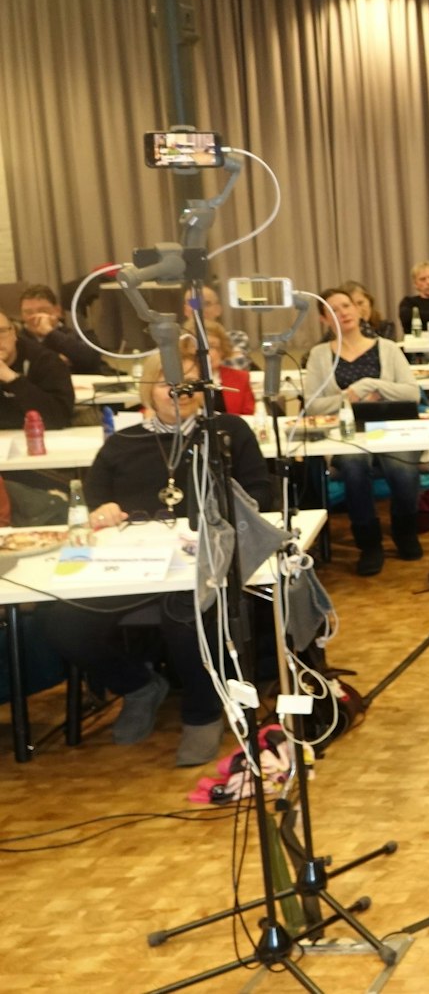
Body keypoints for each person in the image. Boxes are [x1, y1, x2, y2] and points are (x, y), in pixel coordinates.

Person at [39, 341, 272, 768]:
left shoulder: (227, 432)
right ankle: (138, 686)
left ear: (202, 389)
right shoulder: (122, 443)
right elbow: (94, 504)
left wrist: (221, 516)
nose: (179, 392)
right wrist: (101, 513)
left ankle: (203, 713)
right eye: (168, 383)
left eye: (188, 383)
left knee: (185, 615)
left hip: (197, 565)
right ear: (149, 389)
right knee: (60, 620)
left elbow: (259, 493)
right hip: (127, 567)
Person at [304, 288, 425, 575]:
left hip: (392, 430)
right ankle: (369, 543)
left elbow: (412, 393)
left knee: (403, 468)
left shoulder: (387, 348)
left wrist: (372, 384)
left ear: (359, 310)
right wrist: (349, 397)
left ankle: (404, 530)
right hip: (344, 434)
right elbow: (312, 405)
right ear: (324, 320)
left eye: (347, 305)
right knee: (354, 467)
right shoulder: (320, 355)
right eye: (334, 309)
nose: (344, 312)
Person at [0, 310, 74, 430]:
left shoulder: (45, 360)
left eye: (1, 331)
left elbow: (60, 417)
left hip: (41, 438)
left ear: (13, 333)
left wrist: (12, 379)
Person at [17, 283, 108, 375]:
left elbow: (91, 361)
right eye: (28, 312)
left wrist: (50, 332)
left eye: (43, 310)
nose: (35, 317)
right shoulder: (16, 339)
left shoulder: (81, 335)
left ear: (57, 311)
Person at [184, 283, 253, 371]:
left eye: (206, 304)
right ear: (185, 310)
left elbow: (237, 366)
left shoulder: (236, 337)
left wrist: (189, 362)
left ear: (218, 310)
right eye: (194, 304)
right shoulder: (173, 340)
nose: (200, 309)